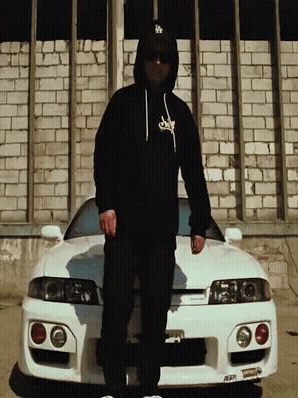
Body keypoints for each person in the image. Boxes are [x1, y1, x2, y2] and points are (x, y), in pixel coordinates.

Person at [93, 20, 211, 398]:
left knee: (157, 309)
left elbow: (193, 168)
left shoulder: (179, 113)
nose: (157, 64)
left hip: (162, 233)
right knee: (117, 305)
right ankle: (114, 384)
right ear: (141, 60)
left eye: (164, 57)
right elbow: (104, 157)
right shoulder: (122, 104)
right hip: (123, 229)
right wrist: (107, 204)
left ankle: (148, 385)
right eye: (151, 56)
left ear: (172, 63)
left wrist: (199, 222)